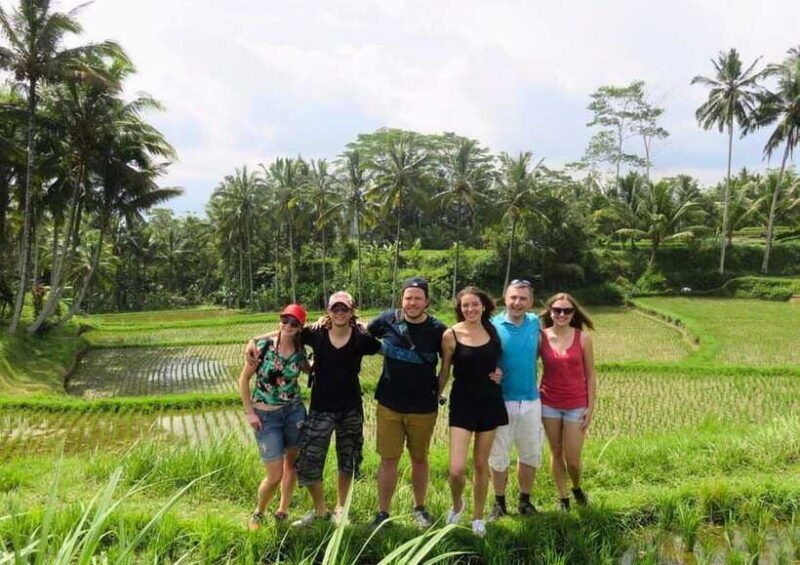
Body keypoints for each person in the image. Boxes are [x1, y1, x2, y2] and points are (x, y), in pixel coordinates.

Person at [245, 292, 382, 527]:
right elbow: (287, 331)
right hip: (320, 409)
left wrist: (364, 325)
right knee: (308, 461)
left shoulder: (361, 338)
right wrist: (253, 339)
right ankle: (320, 510)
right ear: (328, 311)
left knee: (347, 460)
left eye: (345, 309)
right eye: (335, 308)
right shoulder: (316, 333)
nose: (339, 313)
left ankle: (341, 509)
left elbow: (384, 345)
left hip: (351, 409)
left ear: (352, 311)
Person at [367, 276, 446, 528]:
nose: (412, 303)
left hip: (423, 407)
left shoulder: (438, 329)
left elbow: (454, 360)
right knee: (388, 459)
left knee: (419, 459)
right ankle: (383, 513)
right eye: (408, 298)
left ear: (427, 302)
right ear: (401, 299)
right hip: (389, 404)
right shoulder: (387, 320)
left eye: (418, 298)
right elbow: (358, 335)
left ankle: (420, 508)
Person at [437, 286, 507, 537]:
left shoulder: (492, 330)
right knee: (456, 469)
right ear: (460, 308)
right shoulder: (451, 335)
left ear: (483, 306)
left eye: (475, 304)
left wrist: (499, 373)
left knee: (480, 464)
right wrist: (435, 394)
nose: (470, 309)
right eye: (465, 305)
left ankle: (478, 517)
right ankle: (458, 505)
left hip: (490, 400)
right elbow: (445, 370)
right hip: (463, 402)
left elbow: (497, 362)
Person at [239, 304, 309, 530]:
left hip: (294, 413)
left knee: (292, 464)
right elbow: (244, 380)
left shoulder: (300, 349)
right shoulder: (263, 347)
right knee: (274, 474)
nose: (288, 325)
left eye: (294, 323)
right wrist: (250, 412)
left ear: (300, 327)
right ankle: (258, 513)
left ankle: (282, 510)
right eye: (285, 320)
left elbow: (309, 369)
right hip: (266, 416)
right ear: (280, 321)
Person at [487, 279, 543, 519]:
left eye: (523, 299)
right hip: (501, 400)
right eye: (513, 298)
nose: (517, 303)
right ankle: (499, 503)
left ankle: (525, 501)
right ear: (505, 298)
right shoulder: (492, 325)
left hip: (531, 400)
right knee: (498, 455)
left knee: (530, 453)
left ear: (530, 302)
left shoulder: (535, 322)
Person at [539, 292, 596, 512]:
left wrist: (590, 407)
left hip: (576, 405)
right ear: (550, 312)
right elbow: (524, 360)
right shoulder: (541, 337)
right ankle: (563, 498)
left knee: (572, 459)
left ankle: (576, 486)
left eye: (567, 310)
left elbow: (590, 374)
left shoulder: (583, 338)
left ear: (573, 313)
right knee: (555, 451)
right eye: (557, 310)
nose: (562, 314)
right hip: (548, 402)